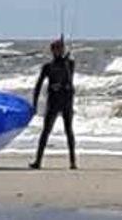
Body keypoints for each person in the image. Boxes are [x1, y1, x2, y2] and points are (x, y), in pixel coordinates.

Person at [29, 38, 76, 170]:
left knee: (69, 130)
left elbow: (69, 76)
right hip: (53, 101)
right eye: (56, 49)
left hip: (66, 101)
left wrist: (65, 60)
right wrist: (34, 104)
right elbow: (38, 86)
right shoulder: (48, 67)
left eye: (61, 48)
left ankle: (73, 162)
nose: (58, 51)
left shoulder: (69, 63)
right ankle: (38, 161)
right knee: (46, 131)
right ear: (52, 51)